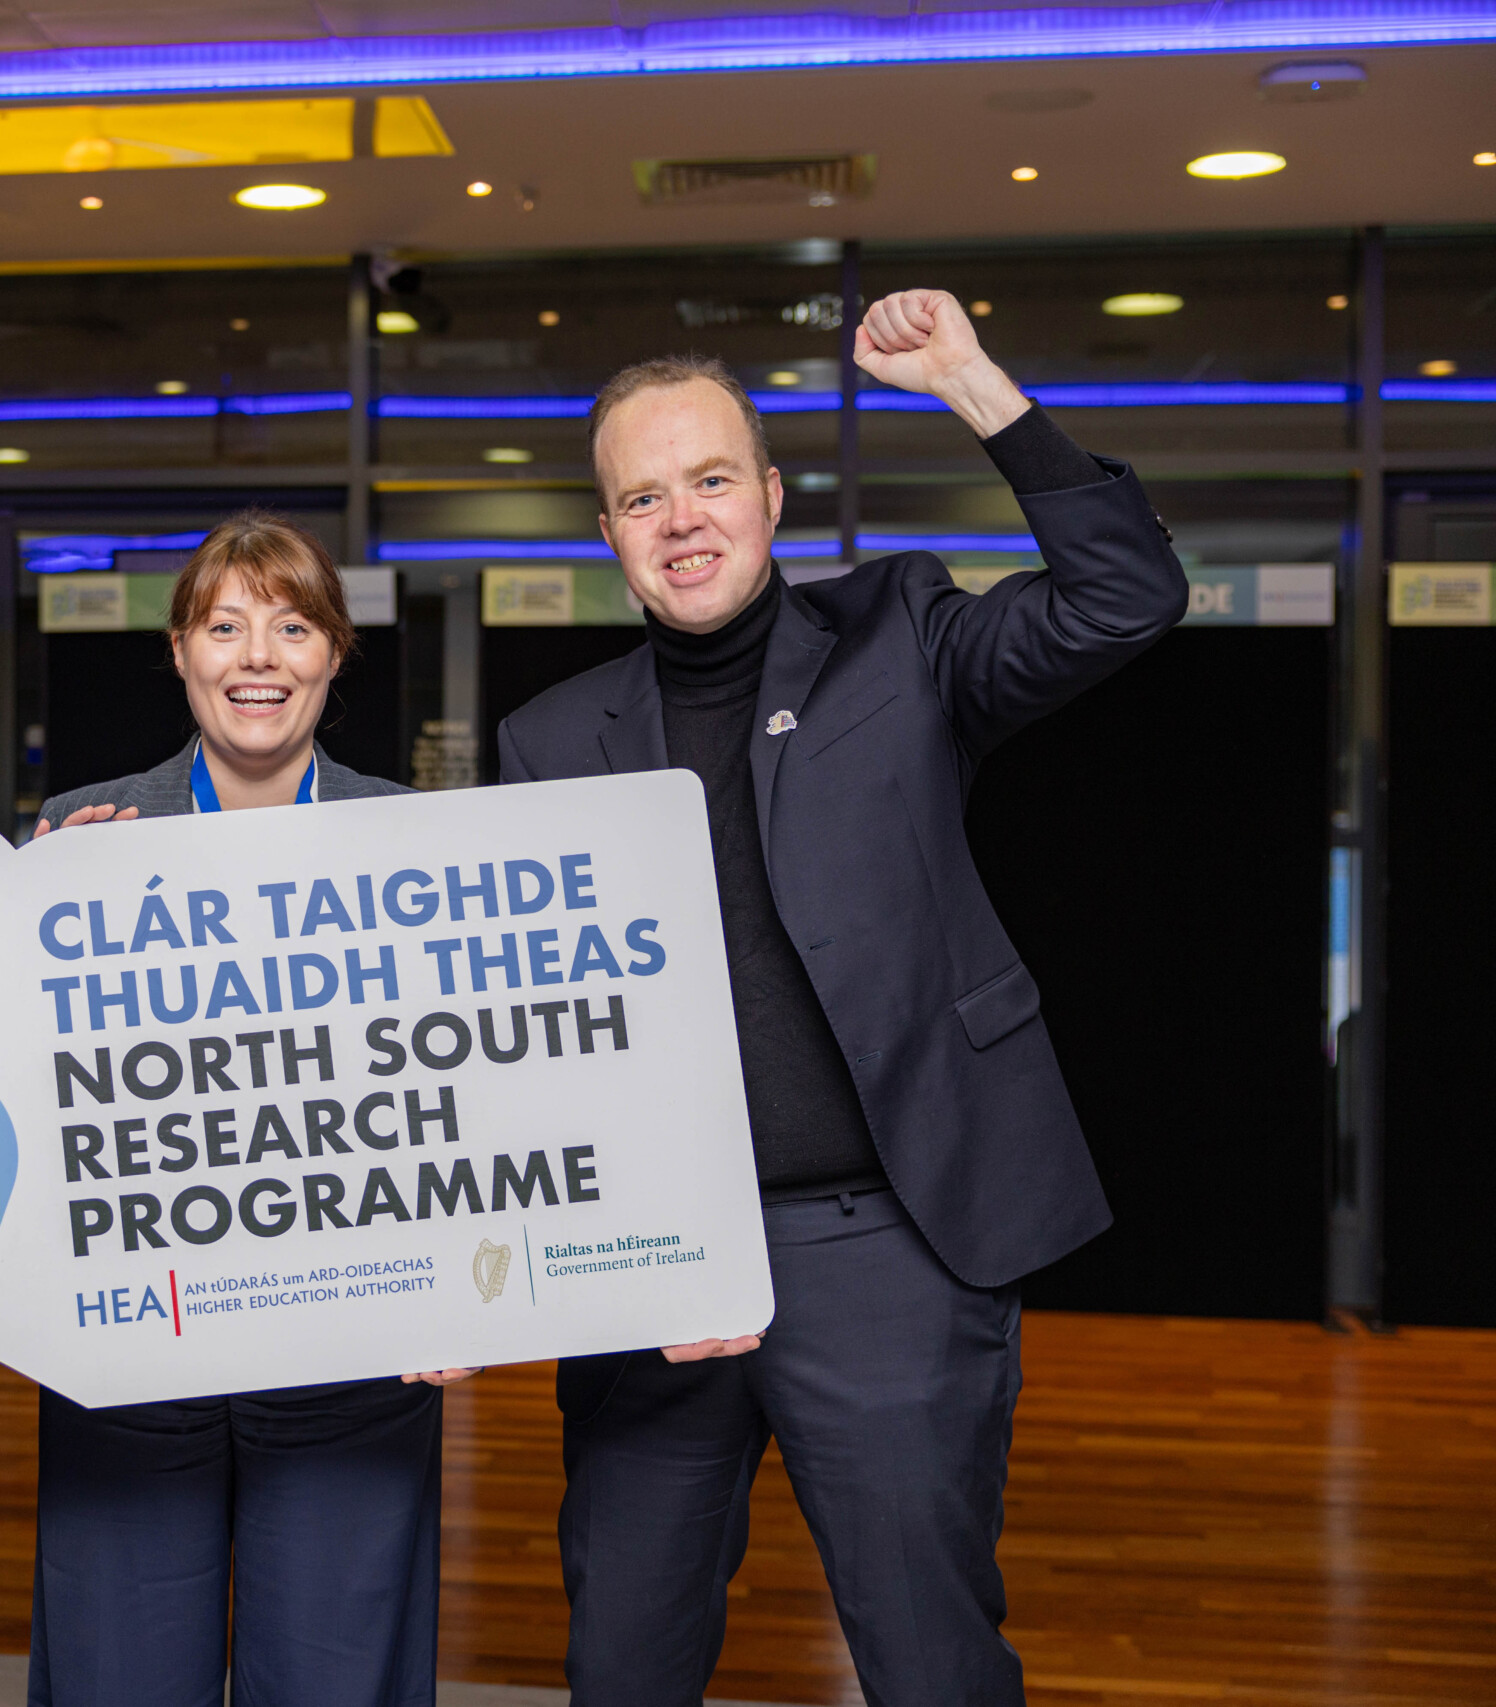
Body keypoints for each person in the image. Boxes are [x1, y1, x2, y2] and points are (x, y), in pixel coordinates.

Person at [497, 291, 1187, 1706]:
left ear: (770, 496)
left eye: (707, 480)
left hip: (889, 1244)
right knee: (622, 1654)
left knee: (929, 1656)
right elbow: (521, 1020)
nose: (680, 519)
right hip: (654, 1266)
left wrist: (973, 383)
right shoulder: (550, 736)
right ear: (609, 532)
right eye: (641, 495)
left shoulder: (903, 640)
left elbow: (1128, 597)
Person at [26, 512, 469, 1707]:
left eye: (290, 624)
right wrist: (31, 914)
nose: (256, 656)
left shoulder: (421, 847)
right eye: (224, 626)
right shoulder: (80, 837)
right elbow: (22, 1102)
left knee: (337, 1676)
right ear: (178, 651)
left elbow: (469, 1099)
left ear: (334, 652)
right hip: (130, 1358)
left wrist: (475, 1284)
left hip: (352, 1362)